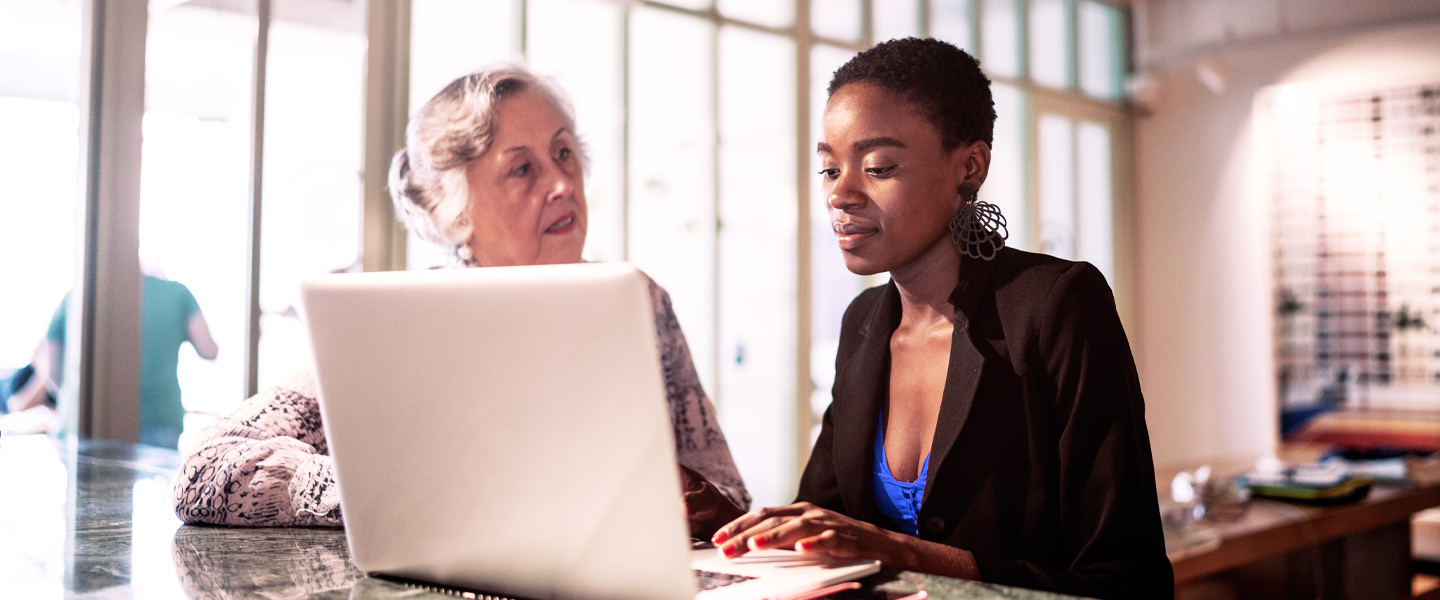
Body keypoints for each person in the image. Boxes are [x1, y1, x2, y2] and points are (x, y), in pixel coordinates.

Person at [171, 65, 750, 535]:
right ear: (454, 211)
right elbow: (204, 470)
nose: (561, 184)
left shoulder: (639, 304)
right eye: (523, 168)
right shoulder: (409, 320)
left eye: (564, 153)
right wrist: (403, 495)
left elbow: (727, 494)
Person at [711, 38, 1172, 599]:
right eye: (829, 169)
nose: (841, 194)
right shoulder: (862, 325)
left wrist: (904, 552)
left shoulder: (1057, 305)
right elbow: (824, 526)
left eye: (878, 166)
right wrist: (723, 524)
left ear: (969, 166)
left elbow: (1130, 581)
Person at [3, 274, 218, 447]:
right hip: (159, 423)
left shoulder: (76, 296)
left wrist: (73, 398)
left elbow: (51, 371)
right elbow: (209, 350)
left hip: (83, 424)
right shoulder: (177, 294)